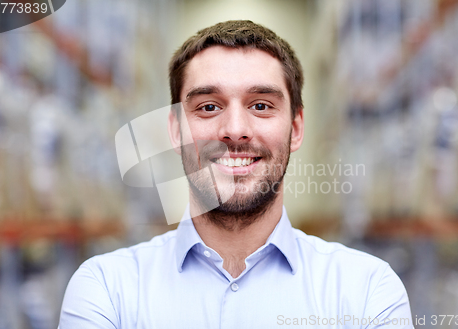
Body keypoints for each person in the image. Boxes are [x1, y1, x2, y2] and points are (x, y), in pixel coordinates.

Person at [59, 20, 414, 328]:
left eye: (261, 105)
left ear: (296, 128)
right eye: (208, 107)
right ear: (175, 131)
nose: (235, 129)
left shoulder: (367, 289)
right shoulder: (106, 289)